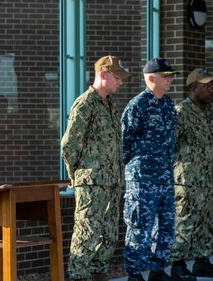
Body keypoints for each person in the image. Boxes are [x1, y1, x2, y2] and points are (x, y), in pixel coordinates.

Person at [61, 55, 131, 281]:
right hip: (91, 182)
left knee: (109, 234)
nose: (121, 82)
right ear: (103, 74)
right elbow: (69, 143)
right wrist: (75, 173)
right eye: (117, 77)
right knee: (87, 233)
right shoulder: (85, 103)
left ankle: (99, 274)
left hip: (111, 182)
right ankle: (79, 276)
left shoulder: (110, 104)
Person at [121, 58, 179, 281]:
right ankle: (135, 274)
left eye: (170, 76)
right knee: (139, 228)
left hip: (164, 178)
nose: (170, 80)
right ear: (151, 79)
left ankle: (157, 270)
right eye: (166, 76)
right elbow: (124, 143)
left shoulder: (167, 104)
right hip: (142, 179)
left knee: (165, 227)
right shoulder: (137, 105)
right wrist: (135, 170)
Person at [170, 68, 213, 280]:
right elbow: (168, 148)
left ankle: (202, 262)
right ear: (194, 87)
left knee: (207, 223)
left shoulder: (209, 115)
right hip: (188, 184)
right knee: (184, 224)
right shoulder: (180, 113)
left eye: (212, 86)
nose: (211, 89)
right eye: (206, 86)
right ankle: (177, 266)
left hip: (208, 182)